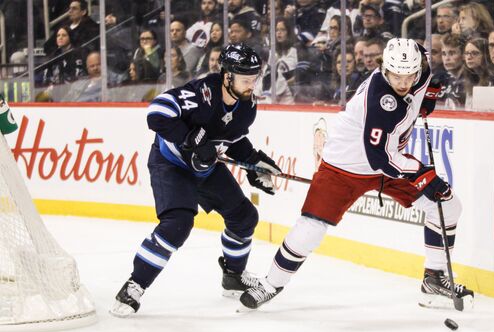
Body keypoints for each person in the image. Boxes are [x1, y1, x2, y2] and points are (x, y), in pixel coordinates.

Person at [238, 38, 474, 310]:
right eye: (396, 76)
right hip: (345, 167)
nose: (403, 83)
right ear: (384, 68)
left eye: (409, 76)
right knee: (312, 226)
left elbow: (424, 63)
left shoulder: (417, 62)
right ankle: (271, 283)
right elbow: (381, 158)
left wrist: (429, 90)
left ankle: (433, 279)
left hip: (388, 159)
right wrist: (424, 176)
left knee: (447, 205)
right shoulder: (381, 101)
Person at [110, 43, 282, 317]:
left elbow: (232, 138)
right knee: (178, 224)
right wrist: (190, 139)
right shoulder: (202, 93)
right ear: (227, 76)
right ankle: (134, 286)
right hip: (171, 164)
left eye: (254, 78)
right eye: (245, 78)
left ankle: (233, 276)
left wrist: (253, 162)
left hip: (205, 167)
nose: (251, 84)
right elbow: (157, 112)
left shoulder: (247, 105)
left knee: (244, 216)